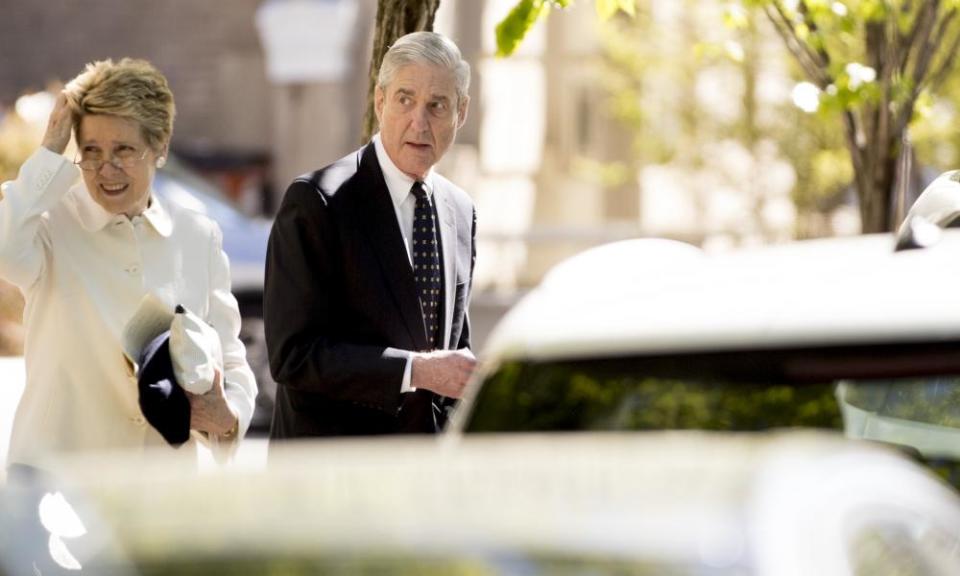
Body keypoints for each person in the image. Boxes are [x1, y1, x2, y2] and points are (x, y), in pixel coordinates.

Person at [0, 59, 257, 467]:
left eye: (124, 150)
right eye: (91, 151)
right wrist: (49, 151)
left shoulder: (198, 235)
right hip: (57, 486)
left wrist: (228, 419)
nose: (106, 169)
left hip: (162, 491)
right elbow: (6, 253)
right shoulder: (49, 223)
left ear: (161, 148)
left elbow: (228, 357)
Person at [265, 31, 477, 437]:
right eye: (405, 100)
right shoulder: (318, 201)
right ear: (380, 102)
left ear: (461, 112)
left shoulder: (460, 210)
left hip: (420, 479)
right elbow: (293, 356)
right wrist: (417, 370)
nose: (420, 121)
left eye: (437, 105)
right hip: (332, 475)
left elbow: (453, 350)